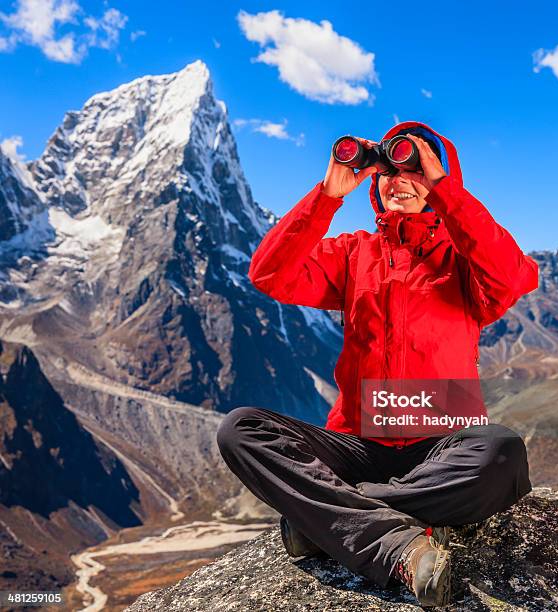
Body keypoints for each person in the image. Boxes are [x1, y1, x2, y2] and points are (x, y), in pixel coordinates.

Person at [217, 121, 538, 607]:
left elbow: (512, 277)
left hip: (441, 441)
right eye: (387, 169)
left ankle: (329, 520)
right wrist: (327, 194)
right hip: (357, 440)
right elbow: (268, 273)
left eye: (414, 166)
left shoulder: (464, 259)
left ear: (439, 178)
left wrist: (447, 192)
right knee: (241, 429)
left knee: (503, 455)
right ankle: (397, 542)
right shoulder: (353, 253)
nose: (399, 178)